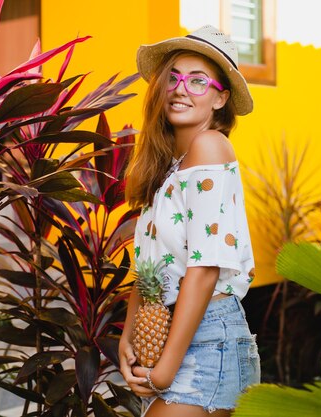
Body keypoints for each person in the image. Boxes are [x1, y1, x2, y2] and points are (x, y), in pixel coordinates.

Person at [120, 25, 260, 417]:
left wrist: (164, 371)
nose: (181, 89)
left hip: (207, 337)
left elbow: (204, 268)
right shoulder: (168, 167)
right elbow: (151, 266)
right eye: (175, 78)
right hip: (167, 330)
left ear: (221, 98)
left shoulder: (210, 147)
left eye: (198, 81)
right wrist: (128, 338)